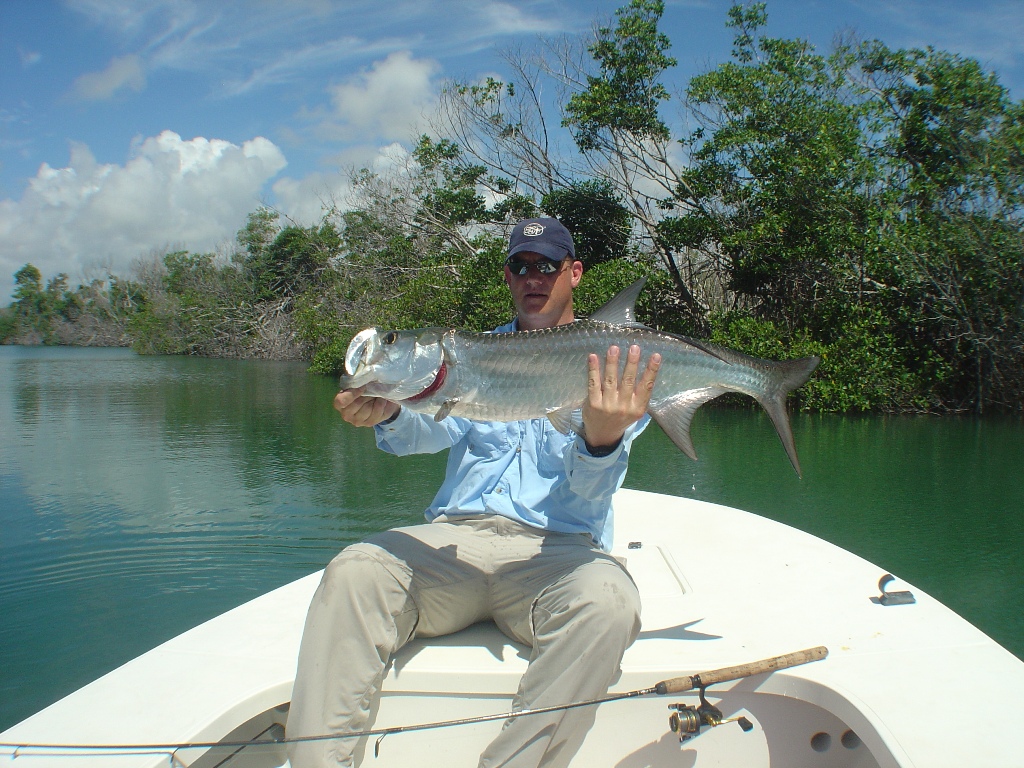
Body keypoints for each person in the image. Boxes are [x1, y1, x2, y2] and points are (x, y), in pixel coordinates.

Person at [287, 217, 662, 768]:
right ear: (507, 276)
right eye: (520, 265)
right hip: (453, 547)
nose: (532, 276)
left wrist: (602, 441)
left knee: (609, 602)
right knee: (355, 571)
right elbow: (425, 432)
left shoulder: (616, 367)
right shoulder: (470, 354)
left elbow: (588, 499)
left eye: (547, 265)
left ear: (574, 272)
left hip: (557, 553)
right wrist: (387, 412)